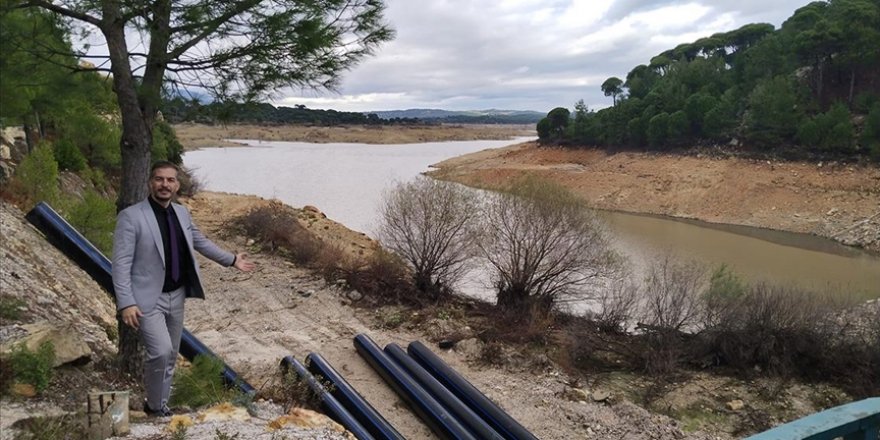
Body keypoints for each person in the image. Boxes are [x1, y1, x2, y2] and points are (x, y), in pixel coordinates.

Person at [111, 161, 255, 416]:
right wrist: (126, 302)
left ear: (177, 185)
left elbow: (200, 242)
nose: (164, 185)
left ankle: (158, 406)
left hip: (176, 296)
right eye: (159, 179)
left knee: (171, 355)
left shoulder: (181, 213)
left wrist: (231, 259)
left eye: (169, 180)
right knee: (161, 351)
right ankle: (155, 405)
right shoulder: (131, 216)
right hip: (147, 299)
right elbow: (121, 264)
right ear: (150, 183)